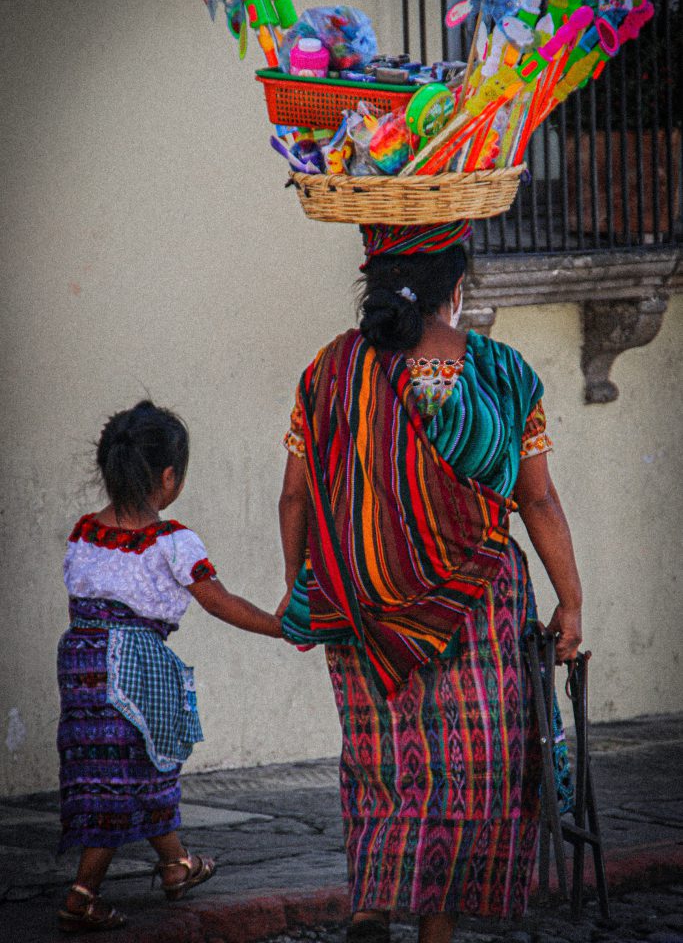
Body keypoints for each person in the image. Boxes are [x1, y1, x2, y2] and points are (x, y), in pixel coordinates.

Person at [277, 222, 582, 943]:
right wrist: (570, 600)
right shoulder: (503, 373)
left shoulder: (326, 370)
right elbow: (536, 500)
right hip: (475, 602)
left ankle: (371, 904)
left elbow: (296, 496)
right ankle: (435, 932)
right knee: (466, 771)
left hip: (357, 597)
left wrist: (306, 588)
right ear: (456, 289)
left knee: (380, 761)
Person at [57, 400, 281, 933]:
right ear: (168, 477)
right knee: (133, 771)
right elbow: (218, 600)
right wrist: (280, 626)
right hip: (137, 664)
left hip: (81, 663)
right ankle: (82, 895)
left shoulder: (84, 532)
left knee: (115, 767)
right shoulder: (173, 541)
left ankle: (176, 865)